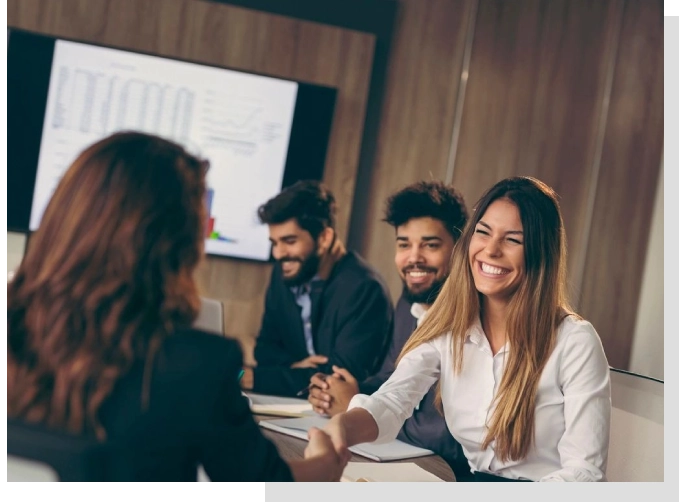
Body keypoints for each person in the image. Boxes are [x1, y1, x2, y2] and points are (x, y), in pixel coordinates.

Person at [6, 131, 348, 483]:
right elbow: (259, 483)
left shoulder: (18, 329)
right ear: (176, 243)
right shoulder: (197, 363)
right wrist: (325, 461)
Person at [321, 176, 612, 482]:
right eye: (483, 233)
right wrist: (339, 429)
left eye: (512, 239)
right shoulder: (449, 325)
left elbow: (584, 472)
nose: (491, 250)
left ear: (541, 252)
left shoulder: (575, 341)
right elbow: (393, 401)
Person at [307, 180, 472, 478]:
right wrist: (345, 392)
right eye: (404, 244)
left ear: (459, 249)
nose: (414, 257)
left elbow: (448, 437)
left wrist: (356, 407)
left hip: (453, 476)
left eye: (430, 245)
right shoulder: (410, 302)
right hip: (405, 464)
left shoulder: (475, 318)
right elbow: (392, 378)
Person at [240, 180, 394, 397]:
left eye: (289, 241)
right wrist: (296, 366)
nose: (279, 253)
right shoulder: (284, 272)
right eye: (274, 243)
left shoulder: (365, 289)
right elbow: (265, 349)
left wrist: (257, 378)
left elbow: (340, 378)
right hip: (292, 406)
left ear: (324, 238)